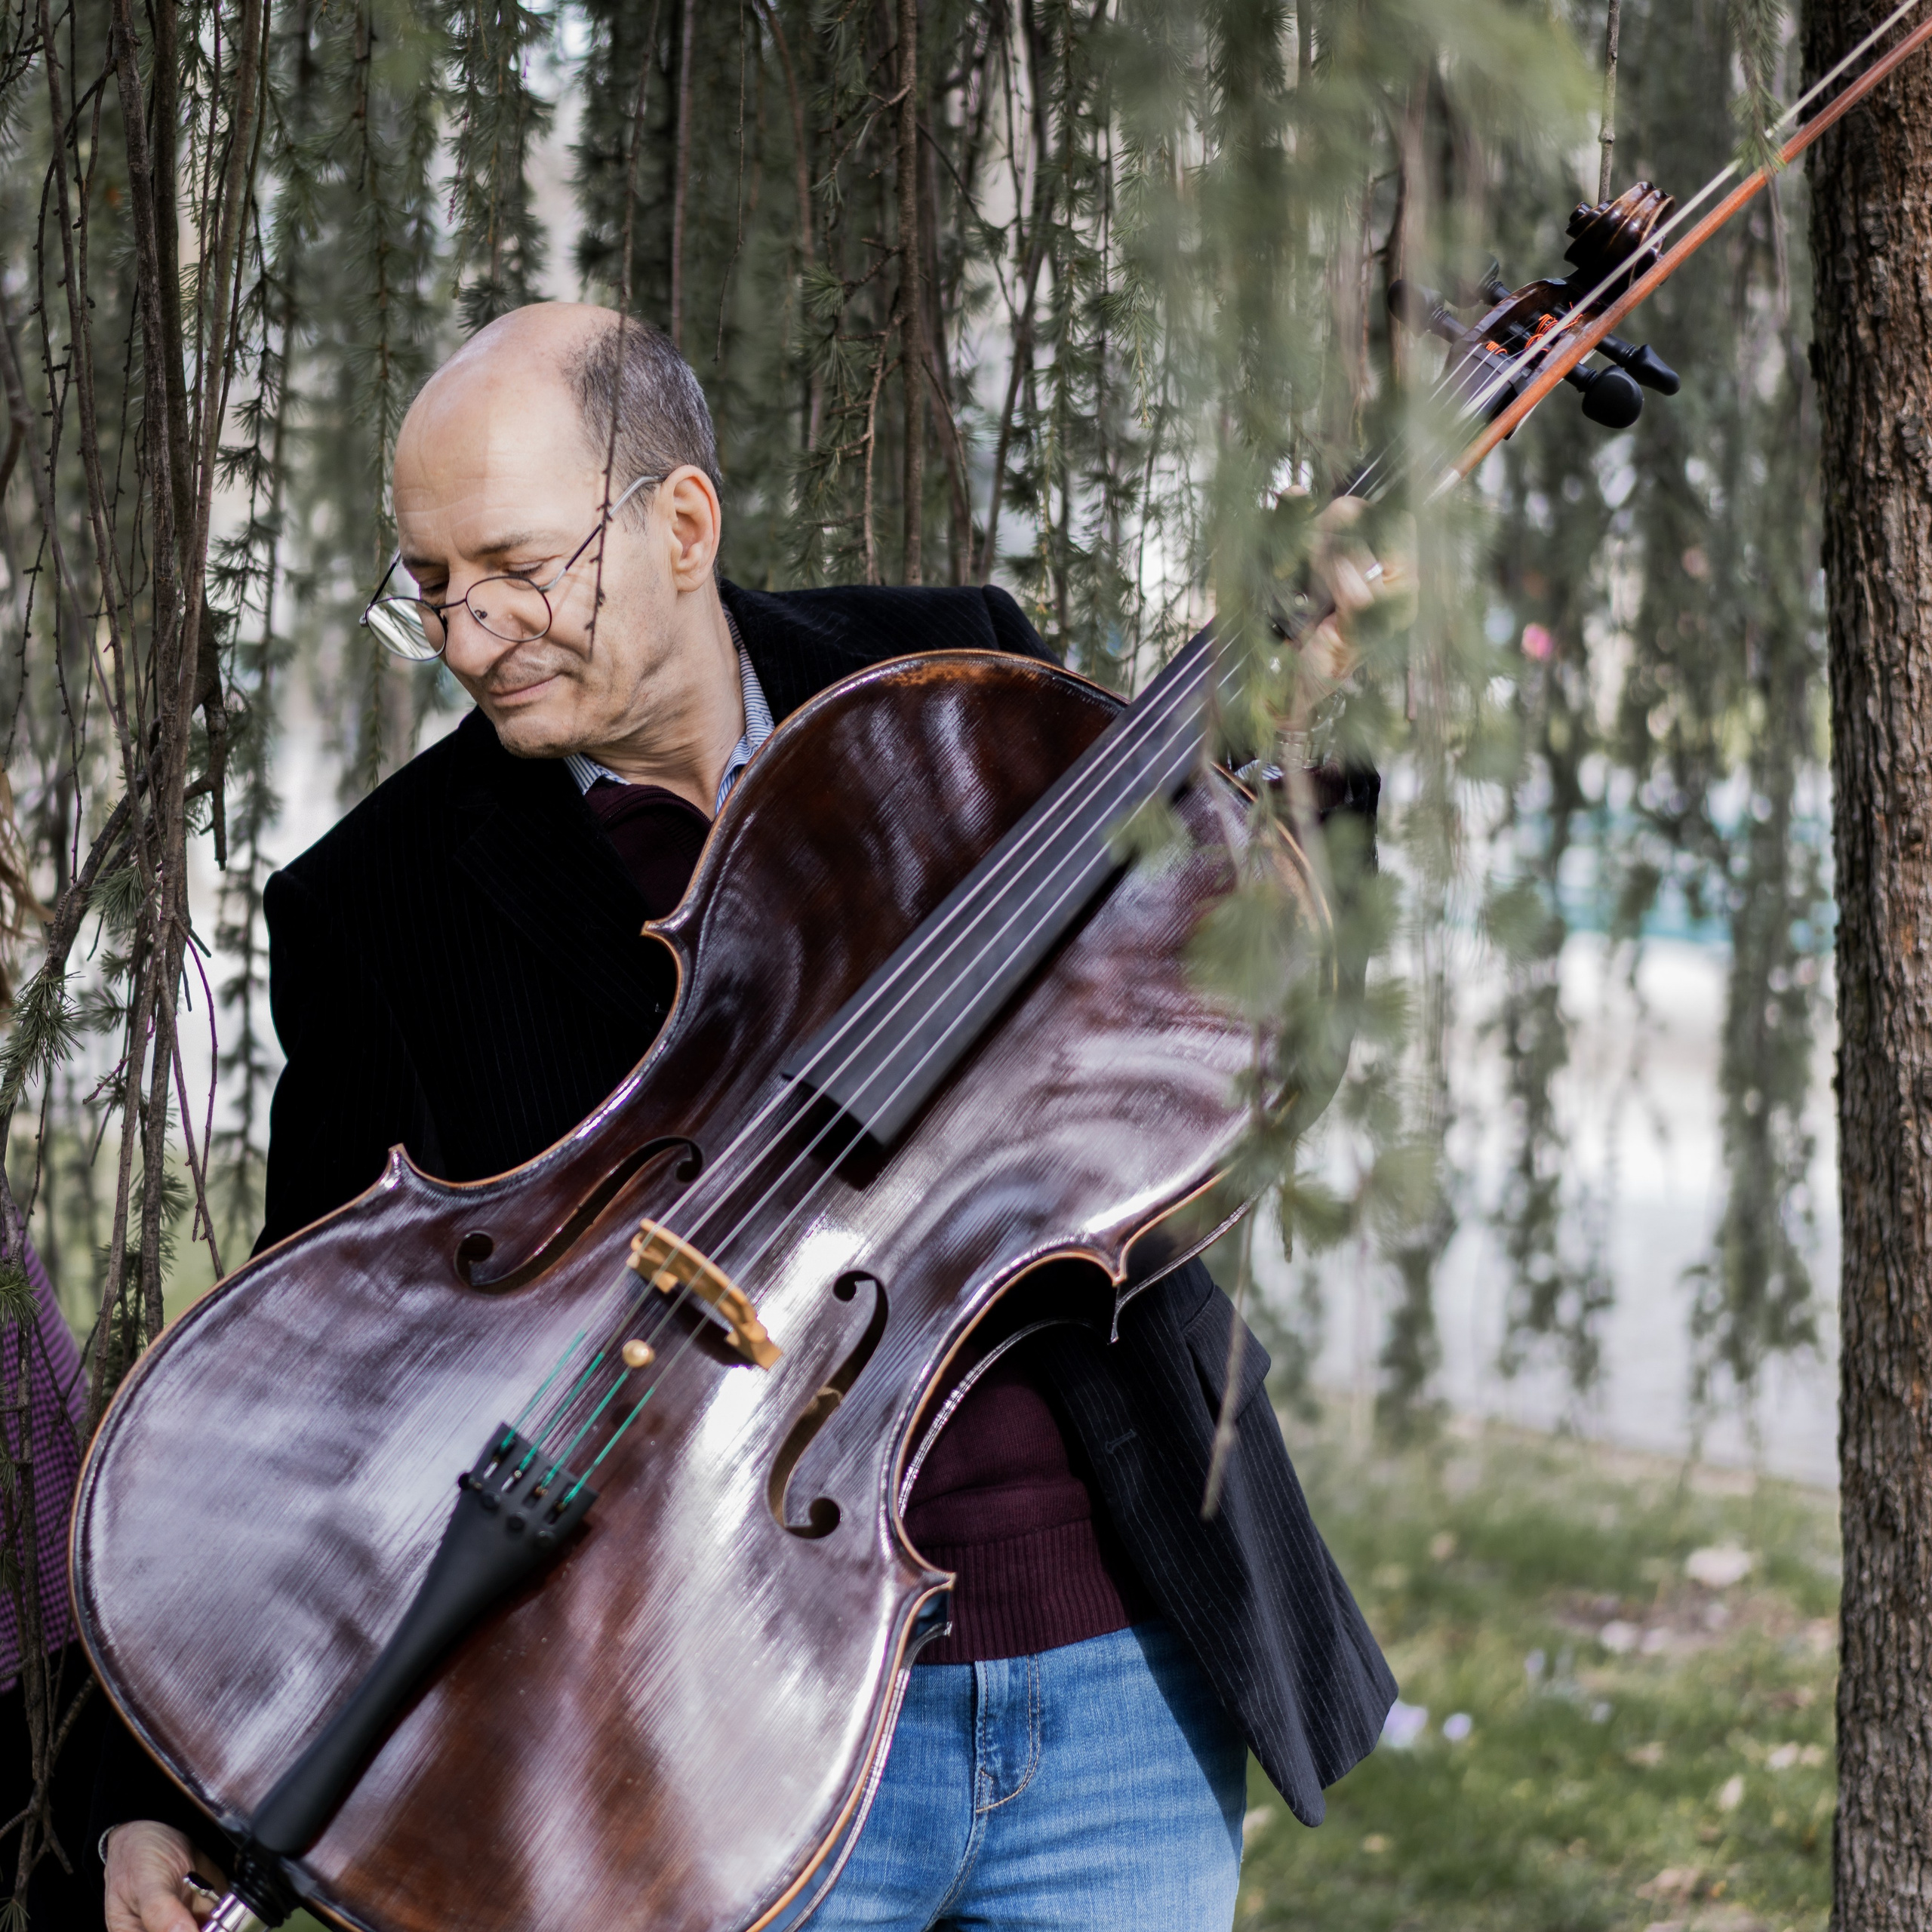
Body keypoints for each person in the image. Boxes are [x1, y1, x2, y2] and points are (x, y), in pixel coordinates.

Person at [98, 303, 1398, 1932]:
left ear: (681, 522)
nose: (468, 630)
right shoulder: (381, 902)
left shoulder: (945, 684)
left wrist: (1303, 739)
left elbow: (1222, 1005)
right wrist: (153, 1778)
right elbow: (304, 1377)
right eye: (430, 583)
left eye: (513, 564)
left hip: (1113, 1681)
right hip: (716, 1730)